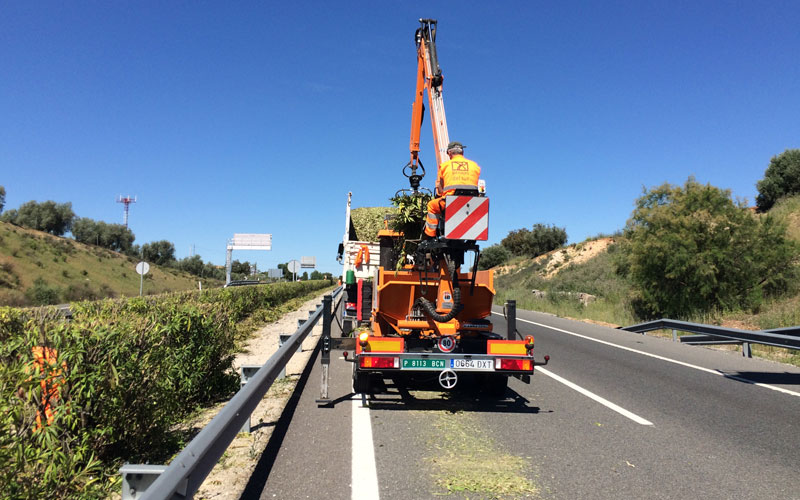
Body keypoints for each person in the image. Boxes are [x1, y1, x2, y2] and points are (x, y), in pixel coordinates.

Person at [423, 141, 481, 238]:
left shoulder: (444, 166)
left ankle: (430, 236)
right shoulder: (475, 166)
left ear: (449, 153)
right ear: (462, 152)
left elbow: (440, 190)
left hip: (450, 202)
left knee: (431, 206)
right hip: (472, 202)